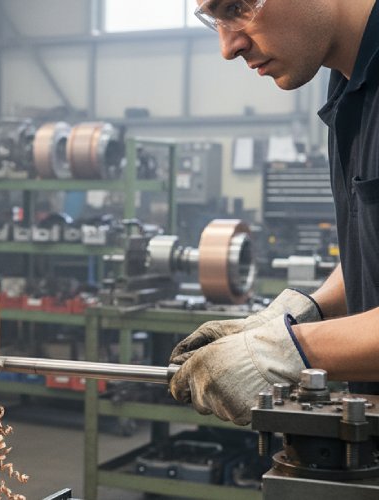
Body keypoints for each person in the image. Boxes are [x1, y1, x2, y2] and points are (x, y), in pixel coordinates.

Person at [169, 0, 379, 425]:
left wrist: (294, 349)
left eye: (237, 6)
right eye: (215, 19)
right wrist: (310, 311)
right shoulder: (348, 84)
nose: (228, 47)